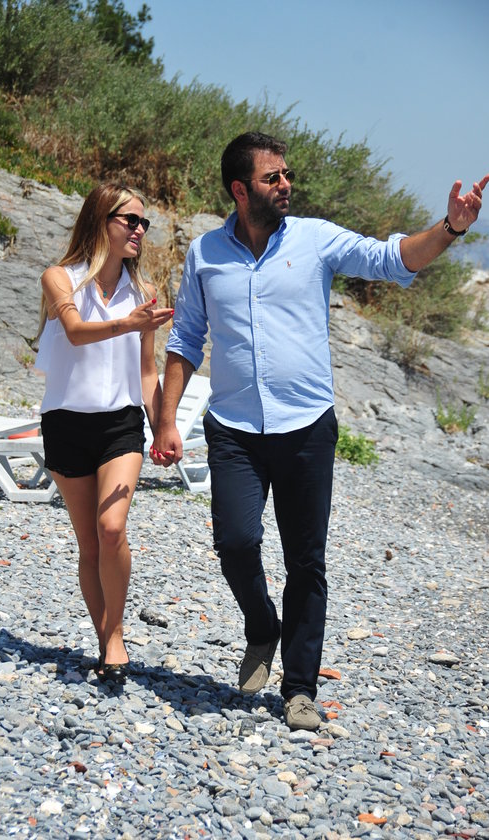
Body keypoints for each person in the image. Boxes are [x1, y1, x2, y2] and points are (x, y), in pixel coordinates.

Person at [150, 131, 488, 730]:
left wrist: (451, 228)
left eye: (287, 174)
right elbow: (185, 339)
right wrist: (166, 418)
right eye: (272, 177)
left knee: (306, 561)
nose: (286, 185)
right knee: (235, 543)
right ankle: (262, 627)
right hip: (233, 428)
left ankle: (299, 689)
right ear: (240, 189)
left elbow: (392, 260)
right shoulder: (205, 253)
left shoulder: (316, 239)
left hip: (306, 428)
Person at [35, 182, 174, 681]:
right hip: (66, 422)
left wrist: (163, 425)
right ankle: (105, 640)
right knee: (89, 545)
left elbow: (146, 371)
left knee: (111, 528)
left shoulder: (143, 292)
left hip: (120, 424)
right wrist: (128, 323)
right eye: (130, 220)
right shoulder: (60, 278)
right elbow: (74, 332)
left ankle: (115, 638)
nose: (139, 230)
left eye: (143, 222)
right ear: (101, 221)